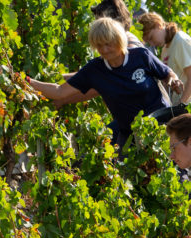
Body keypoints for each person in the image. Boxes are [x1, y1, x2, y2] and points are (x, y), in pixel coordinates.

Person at [26, 18, 178, 150]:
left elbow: (167, 73)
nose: (104, 50)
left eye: (108, 44)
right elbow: (59, 92)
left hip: (160, 126)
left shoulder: (141, 56)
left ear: (119, 40)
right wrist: (27, 81)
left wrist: (173, 80)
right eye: (99, 46)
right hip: (130, 134)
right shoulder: (95, 70)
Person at [139, 12, 191, 106]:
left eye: (151, 38)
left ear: (158, 25)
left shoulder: (180, 41)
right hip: (181, 104)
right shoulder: (165, 49)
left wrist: (181, 104)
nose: (152, 44)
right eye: (148, 42)